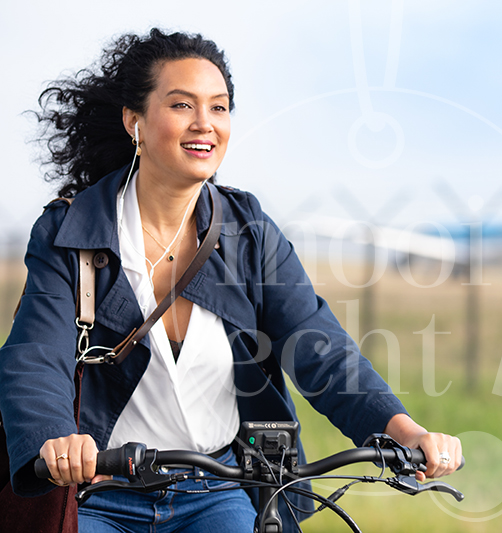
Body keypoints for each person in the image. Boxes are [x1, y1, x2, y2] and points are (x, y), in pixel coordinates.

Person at [0, 28, 461, 532]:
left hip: (214, 489)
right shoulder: (72, 231)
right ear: (134, 121)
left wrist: (402, 429)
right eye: (181, 105)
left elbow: (319, 347)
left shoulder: (248, 232)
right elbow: (35, 356)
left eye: (219, 108)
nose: (205, 124)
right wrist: (54, 438)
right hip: (99, 494)